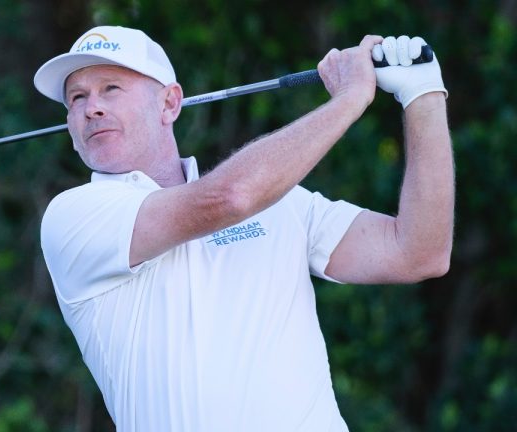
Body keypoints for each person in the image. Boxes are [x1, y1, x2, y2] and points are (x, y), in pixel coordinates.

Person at [34, 26, 453, 431]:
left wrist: (424, 95)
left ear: (169, 104)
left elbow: (418, 253)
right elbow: (230, 197)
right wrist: (349, 98)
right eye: (76, 98)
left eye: (111, 88)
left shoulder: (282, 201)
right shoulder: (73, 216)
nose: (92, 108)